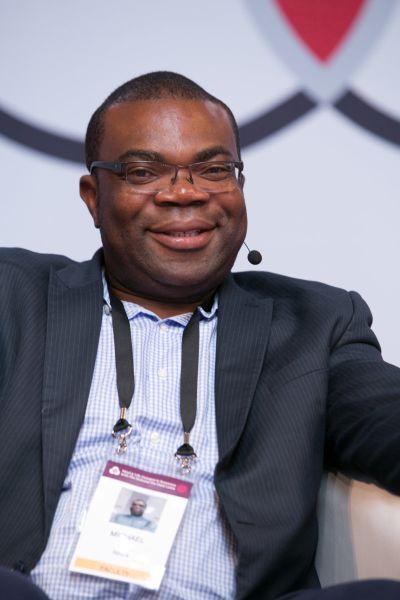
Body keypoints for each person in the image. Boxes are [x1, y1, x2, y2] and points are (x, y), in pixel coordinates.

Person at [0, 71, 400, 600]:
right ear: (93, 197)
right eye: (144, 171)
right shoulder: (14, 297)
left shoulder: (312, 324)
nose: (185, 193)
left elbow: (386, 419)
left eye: (213, 170)